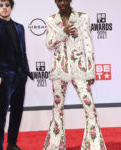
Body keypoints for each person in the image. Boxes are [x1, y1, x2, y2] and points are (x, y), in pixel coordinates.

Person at [43, 0, 107, 150]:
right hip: (59, 69)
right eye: (59, 0)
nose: (62, 2)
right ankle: (55, 145)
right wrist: (61, 33)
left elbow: (88, 44)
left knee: (89, 107)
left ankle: (93, 145)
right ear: (55, 1)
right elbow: (49, 44)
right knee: (57, 109)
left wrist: (90, 70)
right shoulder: (51, 20)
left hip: (79, 68)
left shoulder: (82, 17)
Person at [0, 0, 33, 150]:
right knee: (1, 114)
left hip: (20, 76)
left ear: (11, 7)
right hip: (3, 78)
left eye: (6, 5)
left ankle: (11, 144)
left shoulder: (20, 27)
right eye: (0, 5)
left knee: (17, 113)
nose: (4, 8)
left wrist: (25, 71)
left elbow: (22, 52)